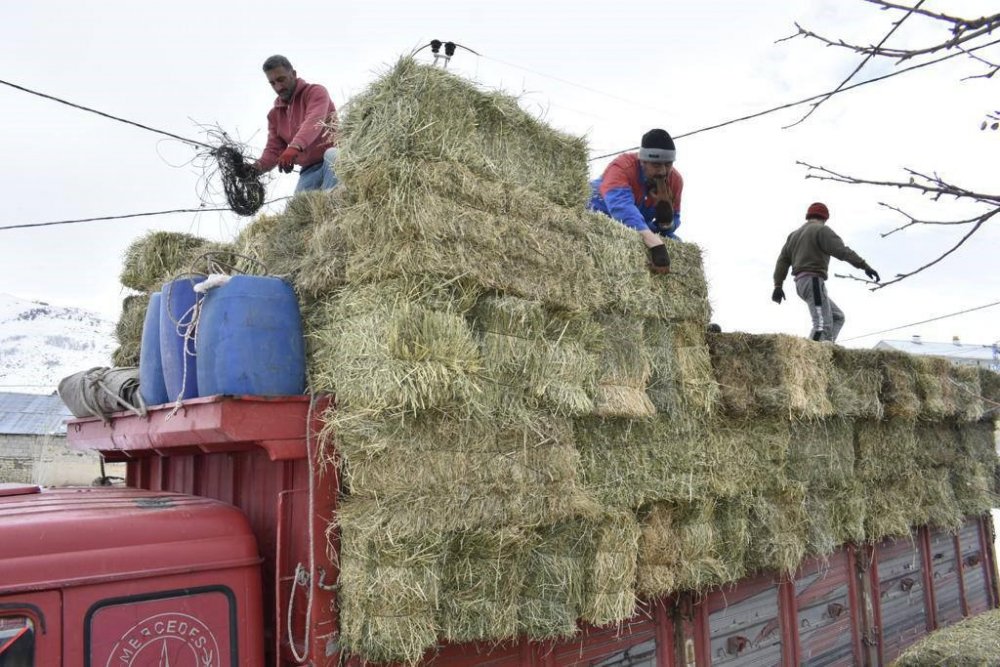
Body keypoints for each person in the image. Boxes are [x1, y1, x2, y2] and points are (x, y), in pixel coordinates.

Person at [772, 202, 880, 342]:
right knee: (822, 325)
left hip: (801, 284)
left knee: (837, 317)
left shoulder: (793, 235)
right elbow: (842, 251)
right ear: (825, 218)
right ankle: (809, 358)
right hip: (813, 281)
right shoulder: (821, 230)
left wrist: (778, 286)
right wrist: (864, 266)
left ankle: (826, 352)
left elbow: (782, 261)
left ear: (808, 216)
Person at [588, 128, 684, 274]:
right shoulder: (622, 167)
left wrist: (666, 222)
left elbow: (673, 221)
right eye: (657, 165)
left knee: (677, 245)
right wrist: (656, 245)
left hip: (638, 223)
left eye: (668, 164)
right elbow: (621, 208)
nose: (663, 172)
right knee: (607, 227)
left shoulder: (675, 180)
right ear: (643, 161)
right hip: (600, 209)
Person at [254, 55, 339, 192]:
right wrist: (256, 168)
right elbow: (274, 150)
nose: (278, 87)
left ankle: (336, 201)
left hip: (332, 159)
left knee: (333, 154)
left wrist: (294, 147)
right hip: (308, 170)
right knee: (295, 210)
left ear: (293, 74)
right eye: (273, 83)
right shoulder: (274, 115)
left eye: (281, 79)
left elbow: (314, 121)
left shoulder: (316, 92)